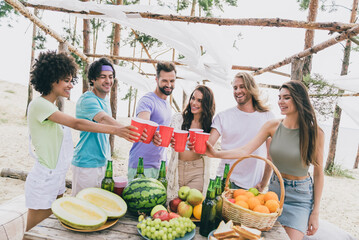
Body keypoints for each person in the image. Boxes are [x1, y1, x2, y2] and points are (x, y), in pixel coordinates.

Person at [26, 51, 139, 231]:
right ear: (52, 79)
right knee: (34, 231)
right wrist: (118, 130)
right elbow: (77, 123)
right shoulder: (40, 105)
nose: (71, 85)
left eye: (72, 80)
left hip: (56, 177)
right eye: (67, 80)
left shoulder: (51, 107)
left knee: (50, 230)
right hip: (44, 178)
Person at [206, 80, 324, 240]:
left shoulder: (315, 133)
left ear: (299, 99)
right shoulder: (272, 126)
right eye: (280, 97)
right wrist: (215, 154)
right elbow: (245, 150)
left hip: (300, 198)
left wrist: (315, 212)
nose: (281, 102)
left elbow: (318, 174)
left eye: (286, 98)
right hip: (274, 193)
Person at [71, 58, 145, 196]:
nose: (108, 81)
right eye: (103, 77)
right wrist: (125, 130)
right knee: (80, 208)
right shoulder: (87, 99)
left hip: (102, 163)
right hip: (86, 164)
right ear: (92, 79)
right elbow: (104, 119)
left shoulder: (104, 101)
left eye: (111, 77)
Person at [208, 72, 275, 190]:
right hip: (225, 181)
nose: (237, 91)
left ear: (251, 88)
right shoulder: (223, 117)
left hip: (252, 186)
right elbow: (208, 144)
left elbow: (271, 156)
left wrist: (263, 183)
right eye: (235, 88)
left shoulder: (267, 117)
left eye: (242, 87)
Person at [128, 61, 176, 181]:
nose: (169, 84)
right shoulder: (147, 101)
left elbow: (162, 135)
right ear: (156, 79)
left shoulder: (167, 105)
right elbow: (142, 127)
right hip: (141, 166)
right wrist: (152, 134)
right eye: (165, 80)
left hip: (159, 166)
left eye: (172, 81)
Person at [167, 85, 215, 200]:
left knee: (193, 208)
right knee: (172, 205)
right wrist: (171, 140)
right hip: (177, 167)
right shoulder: (178, 118)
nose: (194, 103)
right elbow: (170, 139)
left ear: (207, 104)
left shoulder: (210, 125)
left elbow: (211, 149)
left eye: (200, 101)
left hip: (197, 171)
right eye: (193, 98)